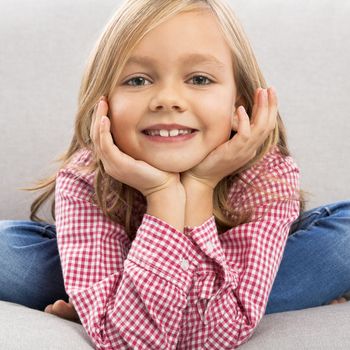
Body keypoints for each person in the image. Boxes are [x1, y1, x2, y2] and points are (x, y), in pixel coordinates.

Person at [0, 0, 349, 348]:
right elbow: (134, 344)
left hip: (238, 270)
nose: (167, 99)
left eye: (199, 78)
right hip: (121, 262)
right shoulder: (87, 177)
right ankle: (118, 301)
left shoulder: (265, 175)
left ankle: (113, 304)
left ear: (237, 105)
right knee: (8, 252)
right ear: (102, 103)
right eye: (137, 80)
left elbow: (212, 338)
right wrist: (163, 194)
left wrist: (198, 186)